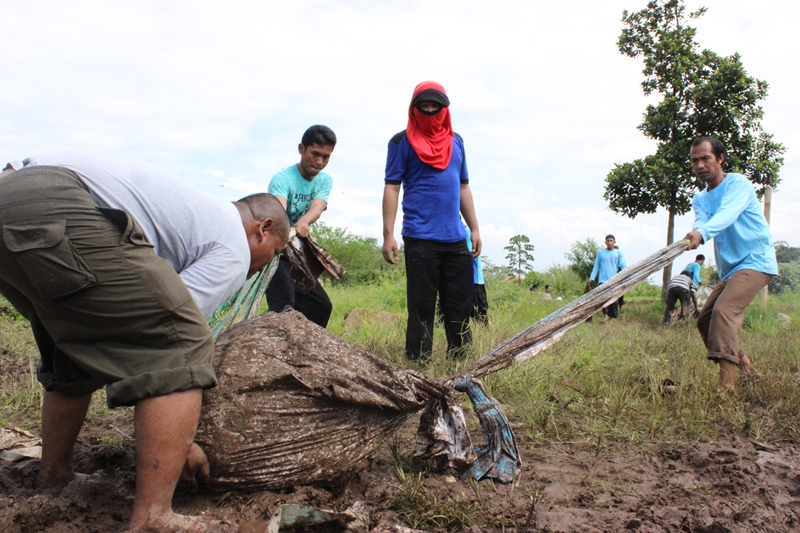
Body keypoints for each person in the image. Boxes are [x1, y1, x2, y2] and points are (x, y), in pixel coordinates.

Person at [0, 151, 290, 532]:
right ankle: (154, 516)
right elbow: (168, 335)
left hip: (12, 196)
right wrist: (180, 443)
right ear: (263, 229)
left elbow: (126, 323)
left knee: (77, 344)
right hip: (59, 205)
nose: (267, 264)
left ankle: (53, 475)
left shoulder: (199, 214)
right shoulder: (235, 245)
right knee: (184, 340)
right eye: (275, 253)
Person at [382, 81, 481, 361]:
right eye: (423, 106)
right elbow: (392, 187)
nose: (429, 111)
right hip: (420, 237)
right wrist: (388, 234)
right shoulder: (401, 142)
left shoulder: (456, 142)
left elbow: (463, 186)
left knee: (460, 305)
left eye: (434, 106)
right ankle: (418, 365)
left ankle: (460, 364)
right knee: (421, 307)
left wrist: (474, 228)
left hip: (456, 238)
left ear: (444, 109)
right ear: (414, 109)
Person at [683, 137, 778, 390]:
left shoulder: (737, 184)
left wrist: (702, 233)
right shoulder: (700, 198)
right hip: (731, 269)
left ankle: (726, 388)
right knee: (705, 320)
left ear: (720, 158)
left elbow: (727, 214)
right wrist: (696, 231)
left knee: (724, 312)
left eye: (706, 158)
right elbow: (702, 220)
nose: (700, 165)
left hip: (755, 260)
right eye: (695, 160)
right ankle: (748, 370)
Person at [266, 125, 337, 328]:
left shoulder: (324, 180)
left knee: (321, 307)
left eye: (326, 156)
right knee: (283, 309)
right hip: (276, 253)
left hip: (298, 254)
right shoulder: (282, 179)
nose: (319, 161)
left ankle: (308, 344)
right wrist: (291, 227)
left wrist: (304, 221)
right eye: (315, 154)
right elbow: (279, 211)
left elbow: (318, 205)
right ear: (301, 149)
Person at [588, 234, 627, 320]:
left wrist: (625, 274)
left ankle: (613, 317)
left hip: (614, 279)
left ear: (614, 242)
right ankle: (605, 315)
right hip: (603, 279)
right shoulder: (600, 253)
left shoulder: (618, 253)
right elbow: (596, 266)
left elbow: (623, 265)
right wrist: (591, 278)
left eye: (611, 241)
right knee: (603, 298)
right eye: (608, 241)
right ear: (605, 242)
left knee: (614, 299)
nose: (609, 242)